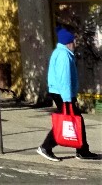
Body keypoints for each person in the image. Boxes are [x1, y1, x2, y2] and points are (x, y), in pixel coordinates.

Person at [37, 26, 100, 161]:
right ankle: (46, 147)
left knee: (76, 119)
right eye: (74, 41)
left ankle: (82, 150)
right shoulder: (64, 55)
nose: (76, 43)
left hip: (61, 93)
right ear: (68, 42)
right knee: (67, 120)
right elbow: (64, 78)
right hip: (63, 94)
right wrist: (68, 99)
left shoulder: (61, 52)